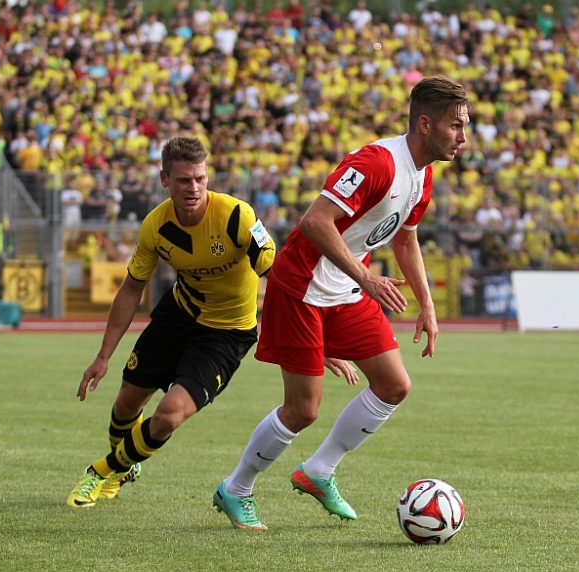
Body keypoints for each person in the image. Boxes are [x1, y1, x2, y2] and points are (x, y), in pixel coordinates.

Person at [213, 76, 470, 529]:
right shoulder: (375, 163)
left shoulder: (422, 175)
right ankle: (235, 488)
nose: (463, 137)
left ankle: (318, 470)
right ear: (426, 124)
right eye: (456, 125)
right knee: (303, 410)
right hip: (303, 289)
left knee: (394, 385)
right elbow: (314, 222)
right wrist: (367, 277)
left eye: (465, 125)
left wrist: (426, 306)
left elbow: (406, 241)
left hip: (346, 290)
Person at [65, 136, 283, 509]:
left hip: (227, 333)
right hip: (178, 315)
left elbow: (277, 278)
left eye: (200, 178)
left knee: (168, 416)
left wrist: (312, 335)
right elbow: (131, 290)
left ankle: (102, 471)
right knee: (124, 407)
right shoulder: (156, 226)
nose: (193, 188)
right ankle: (126, 462)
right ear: (165, 178)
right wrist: (103, 356)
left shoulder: (238, 216)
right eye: (184, 180)